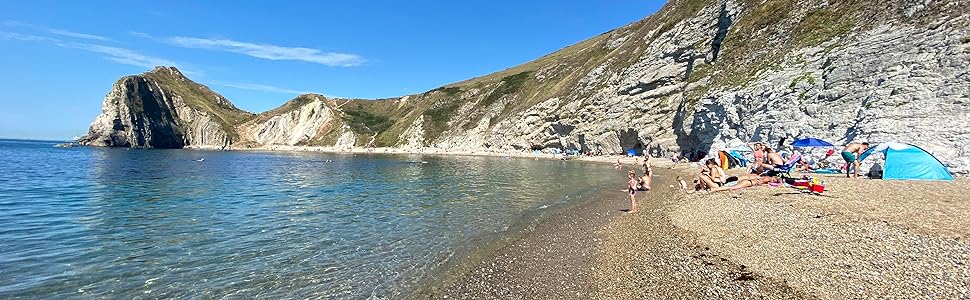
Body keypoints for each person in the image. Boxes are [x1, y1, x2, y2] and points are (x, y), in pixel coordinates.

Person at [709, 175, 780, 192]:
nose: (773, 182)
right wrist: (766, 185)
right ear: (774, 178)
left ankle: (715, 188)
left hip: (748, 181)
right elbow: (760, 182)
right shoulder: (768, 179)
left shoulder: (767, 177)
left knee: (733, 186)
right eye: (774, 181)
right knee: (732, 187)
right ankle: (715, 189)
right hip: (748, 183)